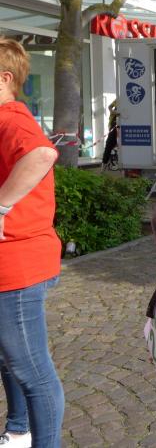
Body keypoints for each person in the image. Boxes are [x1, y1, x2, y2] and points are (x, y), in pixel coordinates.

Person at [0, 38, 64, 448]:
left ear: (5, 78)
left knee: (33, 373)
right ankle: (19, 430)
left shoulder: (10, 118)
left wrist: (0, 205)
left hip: (17, 266)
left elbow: (42, 154)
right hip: (14, 263)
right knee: (11, 358)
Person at [101, 98, 119, 170]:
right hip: (114, 125)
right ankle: (104, 163)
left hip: (124, 125)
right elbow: (109, 106)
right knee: (109, 144)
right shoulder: (119, 99)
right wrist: (113, 112)